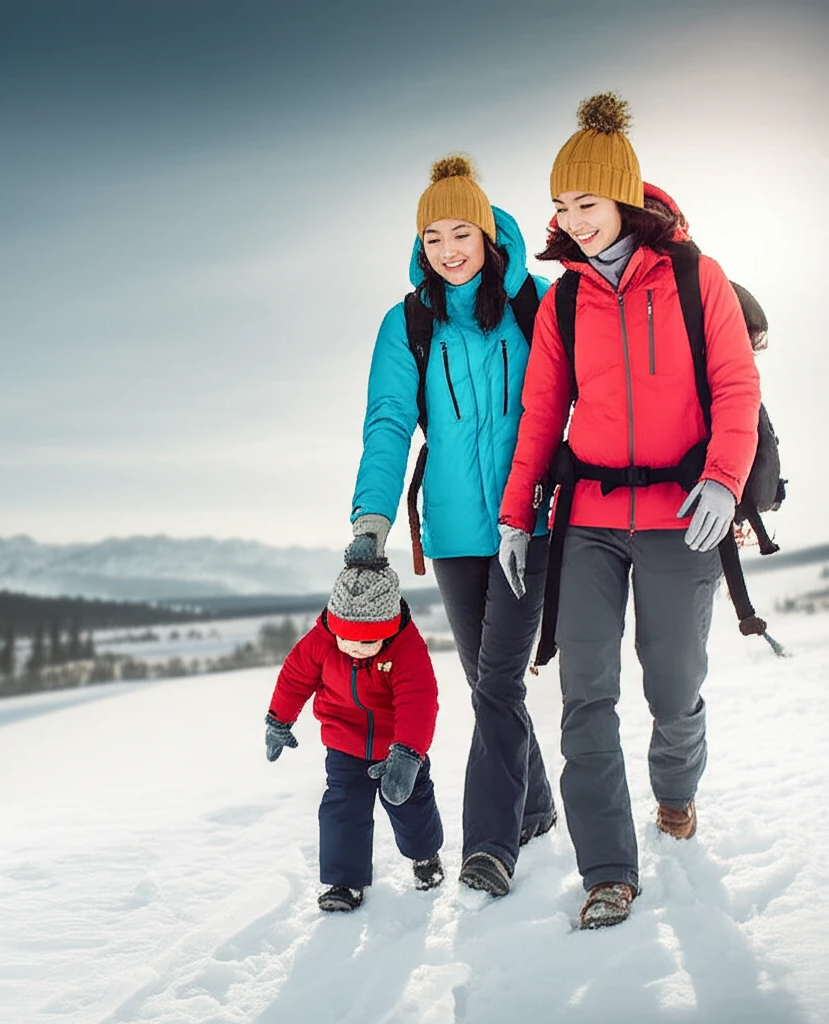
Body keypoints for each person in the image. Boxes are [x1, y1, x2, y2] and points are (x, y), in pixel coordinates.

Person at [497, 93, 761, 929]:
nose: (573, 222)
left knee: (674, 685)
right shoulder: (566, 301)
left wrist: (723, 480)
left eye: (587, 204)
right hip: (592, 522)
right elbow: (543, 413)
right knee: (585, 694)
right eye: (561, 208)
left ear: (624, 198)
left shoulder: (694, 277)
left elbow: (734, 384)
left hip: (683, 516)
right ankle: (608, 870)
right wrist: (515, 516)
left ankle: (677, 793)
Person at [347, 156, 556, 898]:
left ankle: (490, 847)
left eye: (460, 231)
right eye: (432, 237)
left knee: (497, 682)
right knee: (484, 681)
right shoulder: (408, 322)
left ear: (488, 232)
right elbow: (389, 421)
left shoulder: (540, 303)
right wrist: (369, 519)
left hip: (531, 522)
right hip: (452, 530)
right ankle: (535, 803)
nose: (448, 249)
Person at [264, 547, 444, 912]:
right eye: (346, 639)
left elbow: (418, 701)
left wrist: (408, 753)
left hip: (398, 749)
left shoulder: (407, 649)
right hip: (344, 743)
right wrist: (278, 719)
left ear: (388, 629)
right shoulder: (321, 641)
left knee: (410, 804)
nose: (355, 650)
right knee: (342, 809)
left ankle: (425, 857)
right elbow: (295, 677)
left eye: (367, 642)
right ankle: (344, 882)